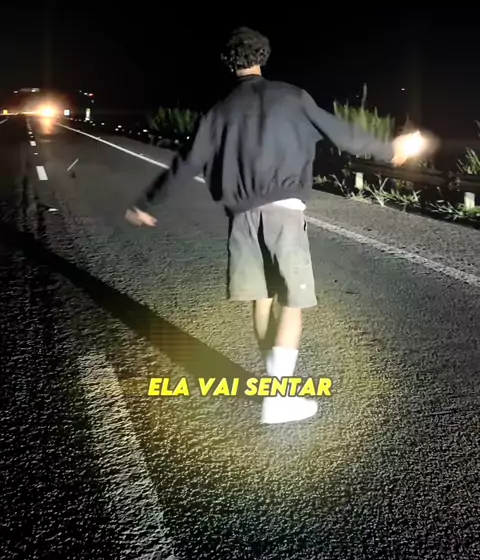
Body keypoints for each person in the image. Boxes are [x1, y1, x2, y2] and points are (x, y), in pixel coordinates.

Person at [126, 26, 415, 424]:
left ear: (228, 62)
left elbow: (186, 163)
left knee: (261, 300)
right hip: (283, 213)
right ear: (263, 55)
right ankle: (279, 399)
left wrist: (147, 203)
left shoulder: (219, 111)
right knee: (292, 303)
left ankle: (273, 389)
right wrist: (392, 150)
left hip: (241, 217)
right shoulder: (292, 97)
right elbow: (344, 136)